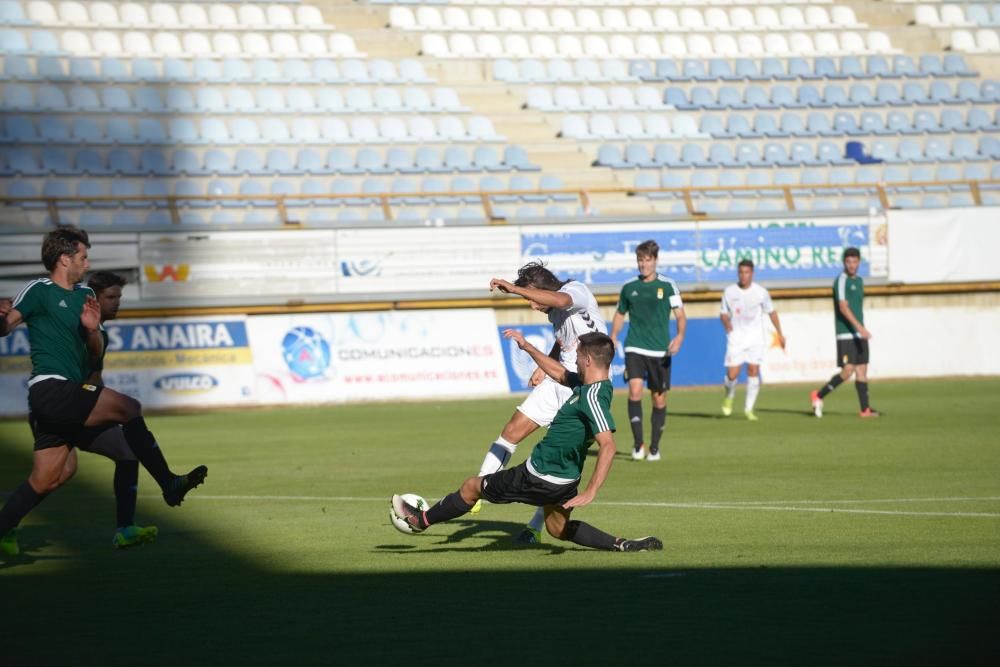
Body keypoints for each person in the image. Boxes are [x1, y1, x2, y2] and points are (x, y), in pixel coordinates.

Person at [0, 226, 207, 558]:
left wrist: (92, 327)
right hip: (50, 389)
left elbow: (94, 352)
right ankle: (168, 483)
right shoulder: (39, 290)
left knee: (52, 477)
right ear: (65, 258)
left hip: (68, 399)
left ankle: (7, 527)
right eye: (83, 256)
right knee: (129, 407)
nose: (87, 261)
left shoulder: (85, 297)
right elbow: (6, 326)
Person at [391, 331, 662, 553]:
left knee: (472, 486)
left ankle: (421, 521)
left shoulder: (591, 398)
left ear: (589, 360)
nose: (575, 359)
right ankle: (622, 544)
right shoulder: (592, 386)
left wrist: (592, 491)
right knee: (557, 530)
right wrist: (529, 347)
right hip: (565, 483)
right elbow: (559, 373)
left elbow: (609, 445)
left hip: (537, 475)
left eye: (578, 355)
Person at [477, 261, 607, 545]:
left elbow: (560, 300)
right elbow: (563, 343)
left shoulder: (575, 291)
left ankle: (535, 527)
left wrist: (513, 289)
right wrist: (543, 364)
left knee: (556, 460)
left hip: (583, 389)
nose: (532, 305)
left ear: (539, 288)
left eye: (531, 297)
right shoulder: (555, 316)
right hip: (559, 380)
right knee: (511, 431)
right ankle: (479, 486)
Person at [609, 240, 686, 462]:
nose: (643, 264)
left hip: (660, 351)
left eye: (647, 260)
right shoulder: (629, 287)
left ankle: (654, 447)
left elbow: (680, 315)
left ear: (655, 260)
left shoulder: (668, 285)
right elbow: (620, 313)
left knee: (658, 399)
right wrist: (613, 336)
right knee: (634, 391)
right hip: (635, 347)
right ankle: (637, 444)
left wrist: (679, 337)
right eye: (640, 260)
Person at [810, 247, 880, 418]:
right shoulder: (841, 280)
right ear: (844, 263)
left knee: (862, 370)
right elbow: (843, 307)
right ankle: (818, 395)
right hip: (846, 334)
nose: (851, 265)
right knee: (848, 371)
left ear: (859, 263)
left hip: (859, 334)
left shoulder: (860, 281)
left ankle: (865, 410)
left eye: (855, 261)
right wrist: (860, 328)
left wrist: (860, 329)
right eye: (848, 262)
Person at [719, 259, 786, 421]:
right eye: (741, 272)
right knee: (732, 374)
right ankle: (730, 395)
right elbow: (723, 313)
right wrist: (726, 322)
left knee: (753, 370)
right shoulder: (729, 292)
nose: (744, 276)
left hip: (755, 338)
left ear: (752, 273)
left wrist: (780, 333)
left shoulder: (761, 292)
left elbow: (772, 312)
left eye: (747, 272)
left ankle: (749, 409)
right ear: (738, 273)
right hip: (736, 338)